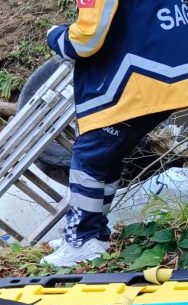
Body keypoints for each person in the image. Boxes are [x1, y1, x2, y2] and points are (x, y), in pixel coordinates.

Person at [41, 0, 188, 267]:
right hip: (168, 73)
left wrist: (55, 37)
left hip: (136, 78)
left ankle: (81, 240)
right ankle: (94, 233)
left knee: (90, 156)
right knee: (108, 156)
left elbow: (86, 39)